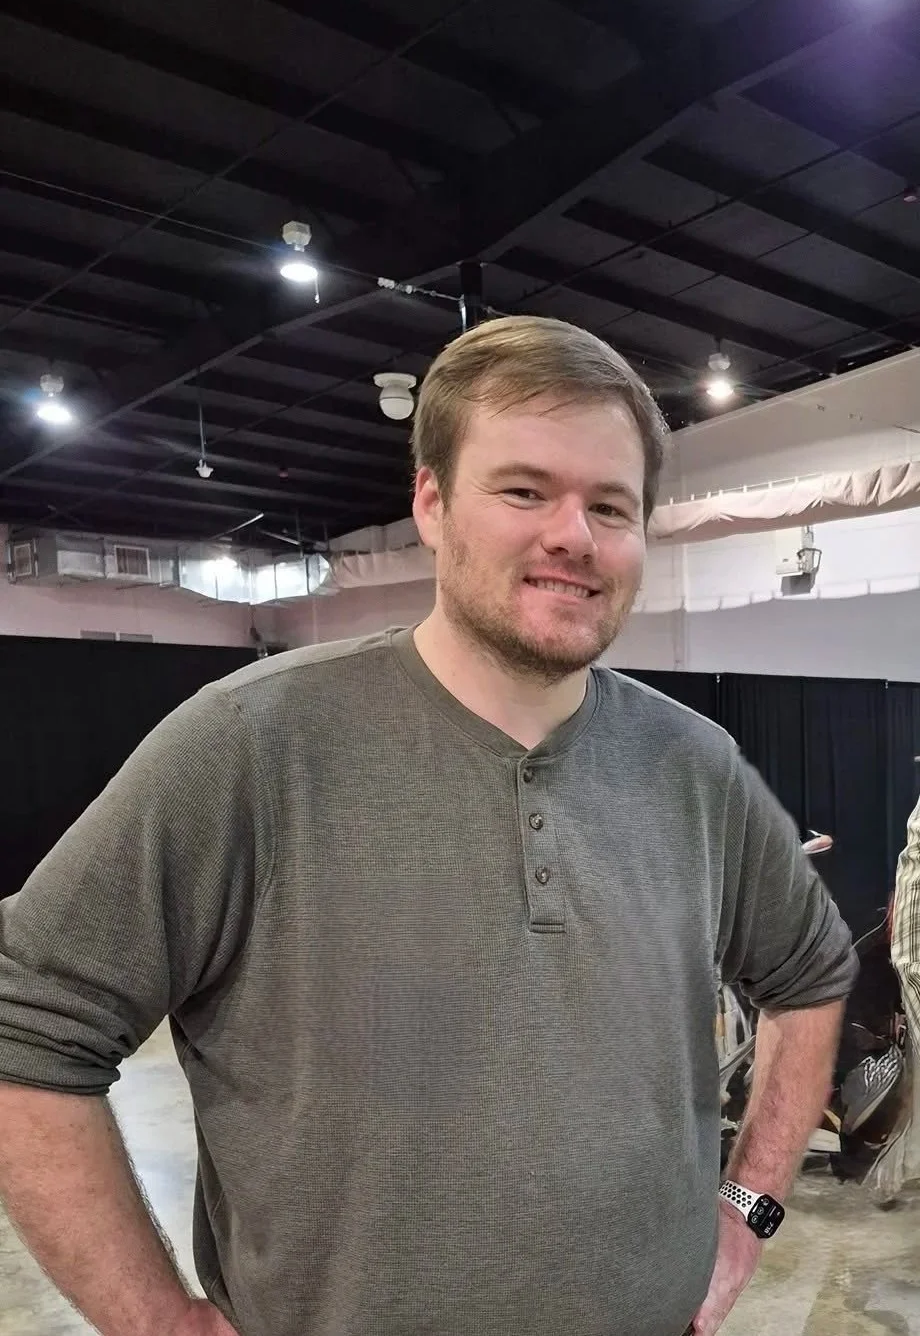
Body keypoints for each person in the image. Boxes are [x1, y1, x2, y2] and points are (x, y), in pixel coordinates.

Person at [0, 316, 858, 1336]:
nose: (571, 536)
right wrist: (154, 1321)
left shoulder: (694, 764)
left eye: (609, 505)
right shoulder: (250, 743)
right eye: (523, 490)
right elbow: (28, 1026)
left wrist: (743, 1212)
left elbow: (807, 977)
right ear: (431, 505)